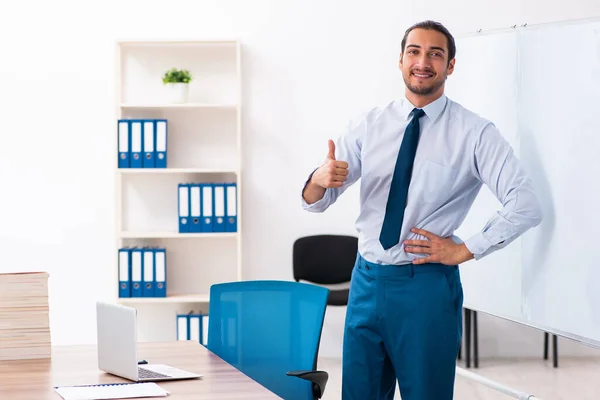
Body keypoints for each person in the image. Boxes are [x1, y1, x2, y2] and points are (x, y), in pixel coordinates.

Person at [301, 20, 543, 400]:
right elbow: (317, 200)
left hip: (425, 288)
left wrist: (466, 248)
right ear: (399, 60)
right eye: (414, 51)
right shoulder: (369, 125)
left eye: (436, 54)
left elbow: (526, 203)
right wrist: (318, 177)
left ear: (450, 66)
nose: (423, 61)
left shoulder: (474, 133)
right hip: (365, 281)